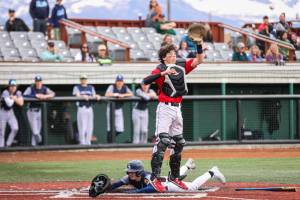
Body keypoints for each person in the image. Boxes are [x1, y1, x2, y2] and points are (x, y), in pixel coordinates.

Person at [142, 41, 205, 191]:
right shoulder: (160, 68)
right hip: (165, 108)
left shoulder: (180, 65)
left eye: (174, 54)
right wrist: (162, 74)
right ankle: (155, 178)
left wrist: (199, 46)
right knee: (163, 141)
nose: (173, 57)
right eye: (170, 55)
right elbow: (145, 81)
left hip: (178, 108)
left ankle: (174, 177)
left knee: (179, 143)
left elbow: (199, 60)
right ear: (164, 58)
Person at [89, 159, 225, 197]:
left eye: (132, 172)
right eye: (129, 171)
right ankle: (187, 166)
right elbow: (116, 184)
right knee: (176, 176)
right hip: (164, 180)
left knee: (192, 187)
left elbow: (149, 189)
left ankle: (212, 171)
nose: (129, 174)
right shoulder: (129, 177)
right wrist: (105, 188)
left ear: (138, 172)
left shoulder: (147, 177)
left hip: (168, 185)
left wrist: (133, 193)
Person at [23, 75, 55, 146]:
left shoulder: (44, 88)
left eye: (39, 81)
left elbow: (53, 94)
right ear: (35, 82)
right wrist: (35, 96)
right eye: (37, 81)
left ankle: (34, 146)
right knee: (35, 132)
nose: (38, 83)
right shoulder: (30, 88)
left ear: (41, 82)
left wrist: (45, 96)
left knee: (38, 131)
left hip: (40, 111)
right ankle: (39, 141)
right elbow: (24, 95)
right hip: (31, 111)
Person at [73, 75, 100, 145]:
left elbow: (94, 95)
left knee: (90, 127)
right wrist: (83, 96)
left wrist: (97, 96)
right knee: (82, 127)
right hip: (82, 108)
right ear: (80, 80)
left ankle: (88, 143)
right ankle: (82, 143)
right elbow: (77, 95)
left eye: (84, 79)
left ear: (86, 79)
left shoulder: (91, 87)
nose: (83, 80)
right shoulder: (77, 87)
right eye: (82, 79)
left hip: (89, 108)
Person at [105, 75, 133, 143]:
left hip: (119, 109)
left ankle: (111, 140)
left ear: (123, 82)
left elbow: (131, 94)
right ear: (116, 82)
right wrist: (116, 95)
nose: (119, 82)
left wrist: (123, 95)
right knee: (110, 128)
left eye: (121, 81)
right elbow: (106, 94)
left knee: (120, 129)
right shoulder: (112, 87)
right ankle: (110, 143)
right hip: (111, 109)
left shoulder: (125, 87)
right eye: (118, 81)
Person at [0, 79, 24, 147]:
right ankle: (1, 148)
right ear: (9, 86)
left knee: (15, 128)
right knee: (1, 132)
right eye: (11, 86)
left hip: (10, 112)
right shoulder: (5, 92)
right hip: (2, 112)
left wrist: (13, 97)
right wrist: (15, 98)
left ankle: (8, 144)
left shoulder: (18, 92)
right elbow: (9, 104)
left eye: (14, 86)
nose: (13, 87)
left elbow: (21, 103)